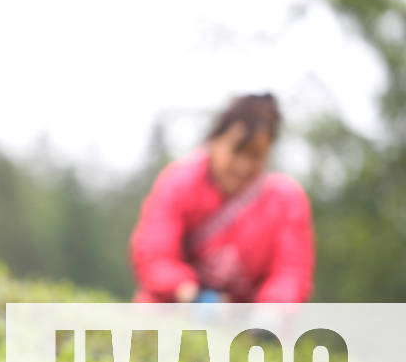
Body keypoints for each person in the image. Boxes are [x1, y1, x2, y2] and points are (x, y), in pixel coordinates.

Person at [129, 93, 314, 303]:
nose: (243, 166)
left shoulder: (287, 200)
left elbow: (290, 273)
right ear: (215, 141)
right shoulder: (178, 182)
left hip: (246, 327)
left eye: (255, 156)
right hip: (171, 310)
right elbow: (154, 256)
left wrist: (269, 315)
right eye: (237, 151)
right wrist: (190, 294)